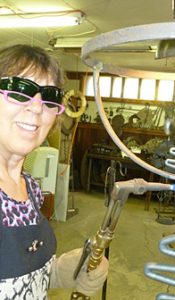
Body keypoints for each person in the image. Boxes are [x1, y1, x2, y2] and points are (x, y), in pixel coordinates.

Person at [0, 44, 108, 299]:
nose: (37, 108)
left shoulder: (31, 188)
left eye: (49, 97)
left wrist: (59, 271)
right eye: (19, 90)